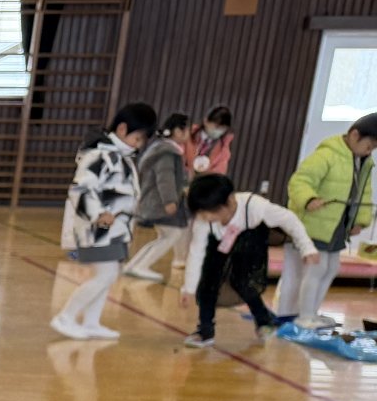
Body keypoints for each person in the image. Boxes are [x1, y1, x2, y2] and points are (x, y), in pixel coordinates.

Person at [53, 102, 156, 340]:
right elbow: (80, 189)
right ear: (122, 129)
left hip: (117, 230)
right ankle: (66, 317)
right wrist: (98, 214)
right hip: (98, 230)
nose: (139, 145)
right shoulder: (101, 155)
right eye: (138, 138)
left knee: (109, 275)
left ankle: (91, 322)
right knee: (105, 275)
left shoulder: (121, 157)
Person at [180, 174, 318, 349]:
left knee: (243, 282)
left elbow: (290, 220)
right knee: (208, 283)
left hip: (250, 239)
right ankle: (205, 331)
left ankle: (264, 321)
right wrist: (188, 288)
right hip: (218, 243)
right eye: (201, 213)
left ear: (229, 201)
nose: (206, 216)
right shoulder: (204, 222)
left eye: (211, 211)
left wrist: (307, 248)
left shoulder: (255, 206)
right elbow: (196, 253)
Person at [277, 111, 377, 326]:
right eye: (369, 146)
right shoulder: (327, 154)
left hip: (336, 226)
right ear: (355, 135)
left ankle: (311, 313)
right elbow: (299, 181)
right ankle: (303, 317)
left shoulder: (364, 163)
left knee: (331, 269)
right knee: (316, 269)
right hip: (313, 224)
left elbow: (364, 193)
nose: (370, 151)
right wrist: (309, 198)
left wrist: (360, 220)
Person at [124, 111, 191, 283]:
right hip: (159, 202)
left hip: (152, 200)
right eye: (186, 130)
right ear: (177, 131)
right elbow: (165, 177)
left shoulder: (160, 147)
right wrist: (169, 200)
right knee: (173, 235)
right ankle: (141, 266)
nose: (189, 134)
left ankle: (134, 265)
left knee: (165, 236)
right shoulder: (167, 152)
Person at [185, 105, 235, 177]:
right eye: (217, 126)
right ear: (206, 121)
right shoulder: (186, 135)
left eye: (223, 128)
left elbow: (219, 172)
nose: (219, 131)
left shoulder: (223, 148)